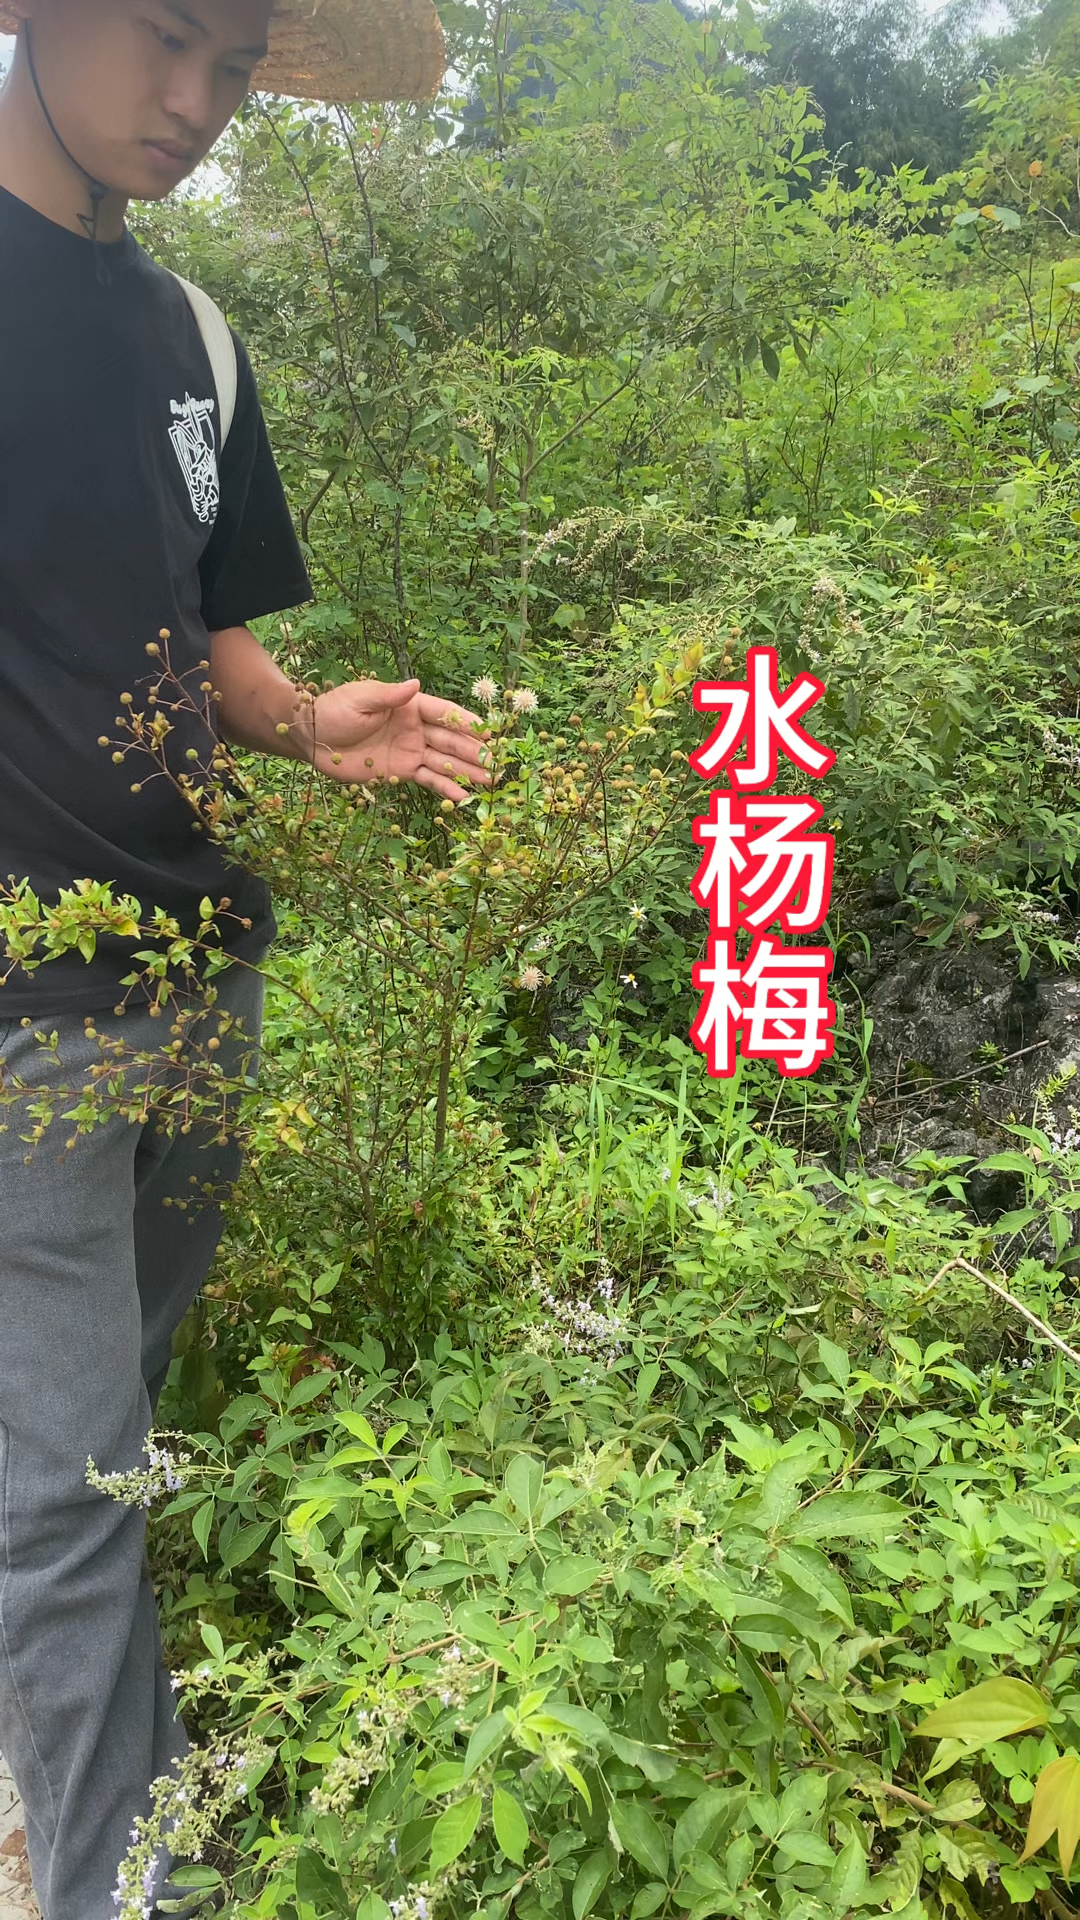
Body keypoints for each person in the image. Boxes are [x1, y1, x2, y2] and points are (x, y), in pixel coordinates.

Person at [0, 5, 486, 1917]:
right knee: (73, 1490)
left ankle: (63, 1719)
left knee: (106, 1411)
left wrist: (311, 727)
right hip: (24, 1003)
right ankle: (129, 1885)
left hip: (205, 974)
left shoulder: (196, 341)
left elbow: (204, 642)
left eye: (234, 57)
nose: (195, 103)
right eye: (165, 40)